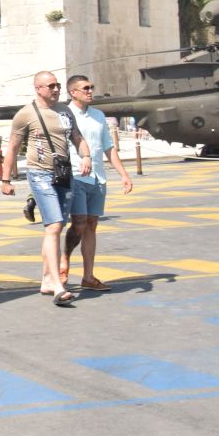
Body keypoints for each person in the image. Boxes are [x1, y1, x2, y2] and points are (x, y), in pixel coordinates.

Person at [0, 71, 92, 305]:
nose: (56, 89)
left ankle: (47, 279)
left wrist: (86, 156)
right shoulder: (26, 114)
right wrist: (5, 179)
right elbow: (12, 147)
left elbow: (77, 137)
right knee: (54, 226)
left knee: (54, 229)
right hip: (40, 174)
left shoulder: (64, 110)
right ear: (38, 89)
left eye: (57, 85)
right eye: (50, 86)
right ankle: (58, 287)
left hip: (64, 173)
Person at [61, 74, 133, 291]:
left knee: (92, 224)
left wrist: (123, 174)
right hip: (75, 175)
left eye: (91, 87)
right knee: (79, 223)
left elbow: (108, 147)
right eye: (85, 88)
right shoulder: (64, 114)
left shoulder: (99, 115)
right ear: (73, 92)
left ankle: (88, 276)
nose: (90, 91)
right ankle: (64, 259)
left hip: (98, 177)